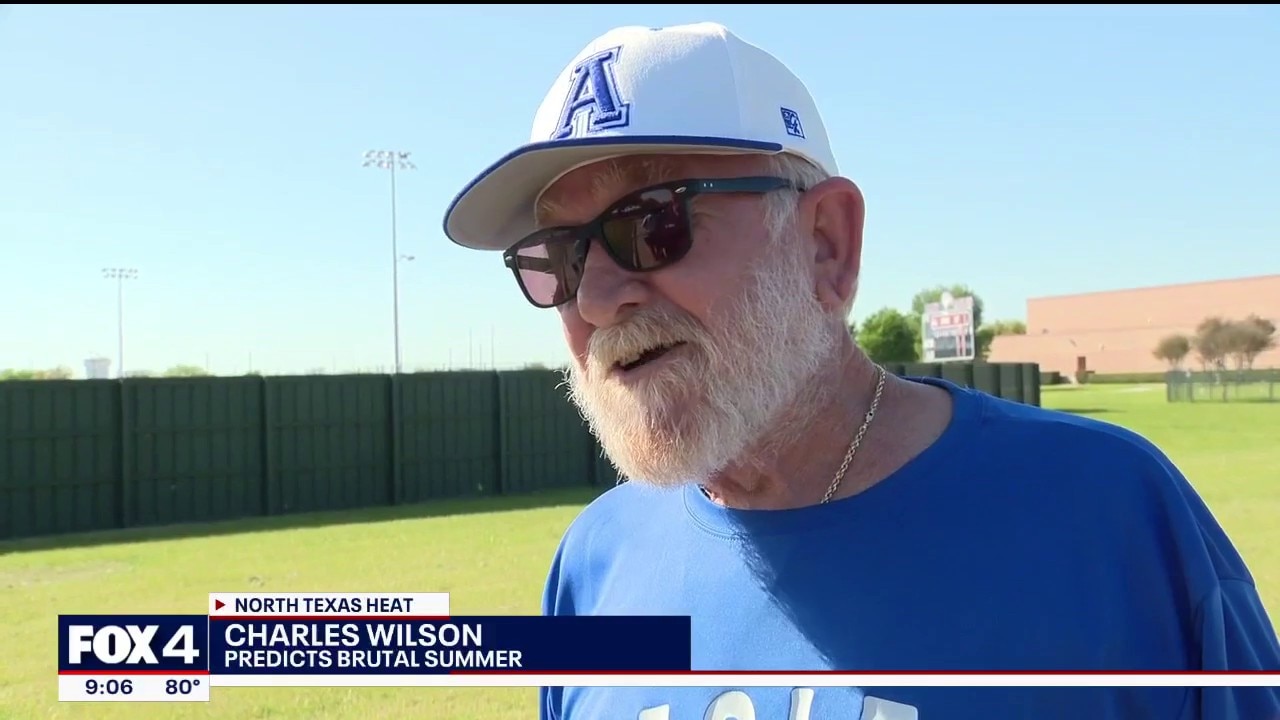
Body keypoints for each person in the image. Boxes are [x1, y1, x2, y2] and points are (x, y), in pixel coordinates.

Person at [441, 21, 1280, 720]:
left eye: (652, 223)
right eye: (559, 255)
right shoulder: (595, 563)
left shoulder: (1109, 514)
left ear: (825, 244)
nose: (595, 299)